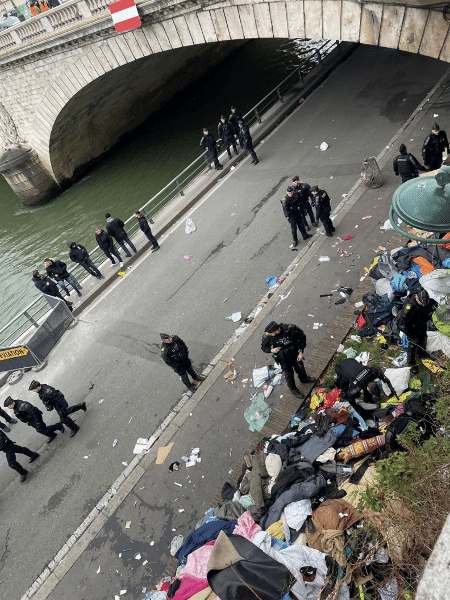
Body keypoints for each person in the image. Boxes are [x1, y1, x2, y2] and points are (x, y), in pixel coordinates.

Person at [261, 321, 315, 400]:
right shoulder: (268, 336)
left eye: (271, 333)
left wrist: (300, 351)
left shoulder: (289, 329)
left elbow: (302, 337)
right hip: (283, 358)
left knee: (300, 368)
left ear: (276, 330)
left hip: (295, 353)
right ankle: (293, 389)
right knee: (289, 374)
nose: (269, 334)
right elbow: (264, 348)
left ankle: (304, 379)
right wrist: (272, 350)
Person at [398, 288, 436, 374]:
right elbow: (402, 325)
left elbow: (428, 304)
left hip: (419, 321)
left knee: (423, 337)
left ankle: (421, 352)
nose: (423, 305)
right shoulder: (408, 308)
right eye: (421, 303)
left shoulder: (422, 294)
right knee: (413, 344)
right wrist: (411, 335)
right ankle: (411, 364)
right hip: (410, 326)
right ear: (417, 298)